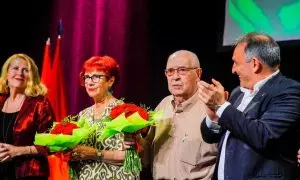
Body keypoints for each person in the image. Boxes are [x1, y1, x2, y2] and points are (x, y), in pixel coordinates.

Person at [198, 32, 300, 179]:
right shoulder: (237, 93)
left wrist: (222, 106)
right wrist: (214, 117)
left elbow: (264, 135)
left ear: (254, 64)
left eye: (236, 63)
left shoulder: (289, 91)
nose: (233, 69)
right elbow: (210, 137)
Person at [144, 50, 217, 179]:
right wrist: (135, 139)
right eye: (170, 71)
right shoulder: (163, 106)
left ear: (198, 73)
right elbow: (147, 154)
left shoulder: (211, 108)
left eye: (182, 70)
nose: (175, 77)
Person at [69, 55, 139, 179]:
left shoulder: (124, 111)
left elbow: (132, 158)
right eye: (87, 77)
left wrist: (96, 154)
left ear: (110, 81)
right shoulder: (82, 115)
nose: (89, 82)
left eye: (96, 77)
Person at [0, 53, 55, 180]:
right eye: (15, 68)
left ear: (32, 77)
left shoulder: (40, 103)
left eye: (26, 70)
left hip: (29, 173)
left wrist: (18, 151)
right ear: (7, 73)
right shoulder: (1, 100)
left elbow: (52, 144)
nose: (20, 73)